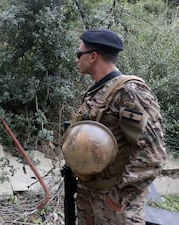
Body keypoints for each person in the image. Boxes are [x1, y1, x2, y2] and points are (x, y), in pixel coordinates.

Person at [69, 29, 167, 225]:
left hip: (115, 207)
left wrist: (119, 196)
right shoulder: (98, 92)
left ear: (93, 56)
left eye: (79, 54)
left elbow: (152, 155)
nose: (76, 59)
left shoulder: (130, 92)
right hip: (91, 196)